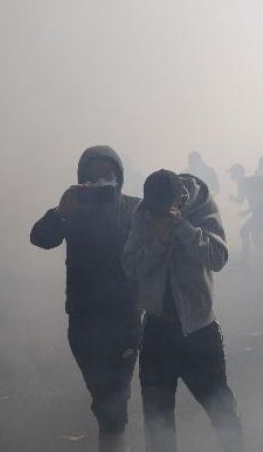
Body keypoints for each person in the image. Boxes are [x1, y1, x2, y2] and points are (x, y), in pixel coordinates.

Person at [30, 146, 142, 452]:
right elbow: (40, 238)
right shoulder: (74, 211)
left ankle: (114, 437)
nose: (102, 180)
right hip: (83, 320)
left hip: (125, 319)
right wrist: (60, 213)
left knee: (115, 400)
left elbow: (162, 241)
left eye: (108, 173)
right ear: (82, 179)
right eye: (93, 175)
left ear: (119, 176)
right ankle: (111, 429)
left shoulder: (135, 209)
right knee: (100, 392)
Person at [122, 170, 243, 452]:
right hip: (156, 329)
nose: (159, 213)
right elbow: (130, 266)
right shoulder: (144, 213)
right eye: (155, 209)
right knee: (157, 420)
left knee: (222, 411)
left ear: (180, 199)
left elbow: (218, 257)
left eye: (166, 208)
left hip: (199, 329)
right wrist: (158, 242)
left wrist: (183, 229)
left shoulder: (202, 206)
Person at [227, 163, 263, 265]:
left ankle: (245, 261)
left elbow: (258, 202)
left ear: (237, 173)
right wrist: (233, 199)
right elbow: (241, 200)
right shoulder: (244, 183)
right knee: (255, 238)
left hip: (261, 213)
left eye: (232, 172)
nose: (230, 175)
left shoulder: (243, 183)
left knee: (249, 234)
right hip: (261, 212)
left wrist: (245, 212)